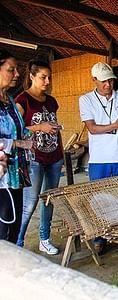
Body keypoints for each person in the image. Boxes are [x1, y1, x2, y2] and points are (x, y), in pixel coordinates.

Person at [79, 62, 118, 253]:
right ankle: (99, 237)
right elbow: (92, 128)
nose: (108, 85)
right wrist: (115, 126)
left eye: (111, 81)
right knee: (99, 199)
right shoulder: (86, 100)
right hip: (99, 159)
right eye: (103, 81)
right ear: (94, 80)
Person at [15, 60, 63, 254]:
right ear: (32, 77)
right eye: (43, 77)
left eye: (49, 77)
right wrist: (40, 127)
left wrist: (54, 129)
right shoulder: (22, 100)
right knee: (30, 203)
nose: (47, 81)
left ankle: (44, 238)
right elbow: (17, 130)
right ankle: (17, 244)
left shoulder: (51, 101)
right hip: (33, 158)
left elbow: (52, 122)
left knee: (49, 199)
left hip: (55, 156)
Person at [0, 49, 33, 244]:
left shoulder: (10, 100)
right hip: (1, 178)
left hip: (16, 174)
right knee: (2, 231)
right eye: (11, 69)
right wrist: (18, 143)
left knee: (13, 228)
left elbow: (18, 129)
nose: (17, 74)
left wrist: (30, 135)